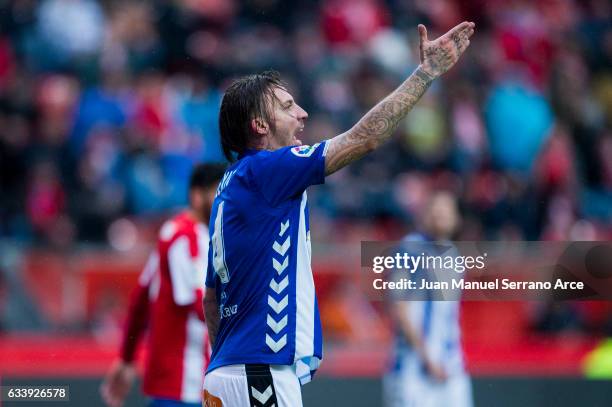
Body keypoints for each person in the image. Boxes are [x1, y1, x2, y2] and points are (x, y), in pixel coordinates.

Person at [203, 22, 476, 407]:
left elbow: (211, 299)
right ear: (259, 125)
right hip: (258, 370)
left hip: (231, 371)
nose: (302, 113)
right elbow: (365, 138)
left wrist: (224, 364)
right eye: (286, 107)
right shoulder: (267, 170)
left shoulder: (231, 186)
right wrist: (426, 73)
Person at [101, 163, 226, 407]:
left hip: (190, 385)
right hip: (184, 385)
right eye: (218, 191)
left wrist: (126, 359)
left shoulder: (180, 234)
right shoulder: (183, 238)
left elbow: (140, 299)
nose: (225, 199)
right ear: (197, 195)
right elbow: (201, 305)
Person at [384, 191, 473, 407]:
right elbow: (400, 308)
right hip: (413, 367)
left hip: (451, 365)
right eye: (435, 211)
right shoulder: (409, 249)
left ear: (456, 218)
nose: (440, 216)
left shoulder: (454, 255)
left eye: (446, 211)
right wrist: (427, 358)